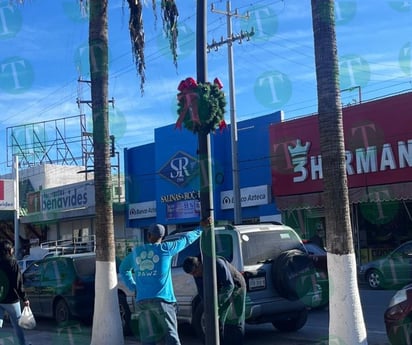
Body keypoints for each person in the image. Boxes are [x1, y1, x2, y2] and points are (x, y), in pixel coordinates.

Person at [119, 219, 209, 345]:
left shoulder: (137, 253)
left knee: (148, 339)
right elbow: (186, 239)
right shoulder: (166, 249)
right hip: (163, 301)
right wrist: (200, 229)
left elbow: (123, 269)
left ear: (148, 235)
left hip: (143, 301)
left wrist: (133, 286)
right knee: (171, 336)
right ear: (163, 237)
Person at [183, 255, 246, 345]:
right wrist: (208, 307)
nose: (196, 275)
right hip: (220, 289)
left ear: (200, 264)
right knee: (217, 320)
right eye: (192, 274)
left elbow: (229, 286)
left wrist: (217, 303)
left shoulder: (217, 263)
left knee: (235, 320)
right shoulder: (196, 273)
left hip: (236, 287)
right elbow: (202, 293)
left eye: (195, 272)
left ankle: (236, 341)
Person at [0, 240, 30, 345]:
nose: (13, 249)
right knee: (17, 325)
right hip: (12, 300)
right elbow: (18, 283)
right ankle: (22, 344)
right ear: (8, 250)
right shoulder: (12, 262)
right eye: (12, 248)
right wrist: (25, 298)